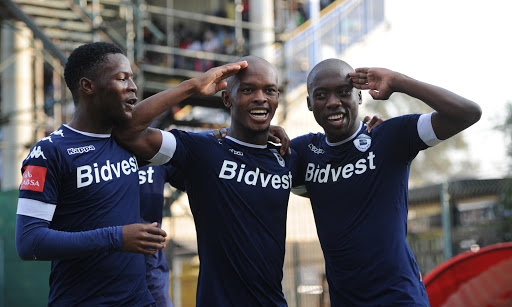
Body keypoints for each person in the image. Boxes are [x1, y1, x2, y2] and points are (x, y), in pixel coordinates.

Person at [14, 41, 243, 306]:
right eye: (122, 79)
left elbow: (183, 141)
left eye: (132, 78)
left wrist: (245, 136)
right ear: (88, 86)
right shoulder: (50, 152)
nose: (133, 87)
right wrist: (116, 237)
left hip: (139, 299)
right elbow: (29, 242)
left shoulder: (126, 143)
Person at [290, 59, 482, 306]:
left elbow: (468, 113)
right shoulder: (304, 152)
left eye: (343, 92)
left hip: (400, 299)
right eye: (321, 95)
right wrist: (222, 134)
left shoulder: (390, 137)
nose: (333, 102)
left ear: (359, 97)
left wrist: (398, 81)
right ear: (309, 103)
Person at [113, 55, 295, 306]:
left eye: (270, 91)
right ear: (227, 98)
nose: (261, 97)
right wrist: (192, 86)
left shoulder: (288, 156)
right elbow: (127, 130)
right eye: (248, 90)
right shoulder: (201, 151)